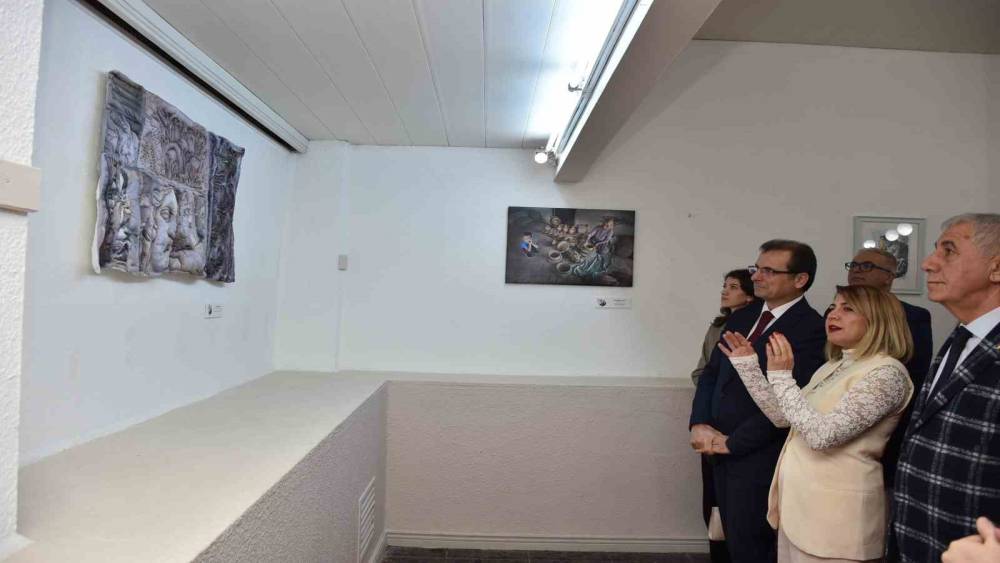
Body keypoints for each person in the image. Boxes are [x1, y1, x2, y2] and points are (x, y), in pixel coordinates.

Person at [719, 285, 914, 562]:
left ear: (880, 320)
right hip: (800, 510)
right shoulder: (833, 365)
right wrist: (749, 367)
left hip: (836, 518)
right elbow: (784, 418)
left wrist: (782, 377)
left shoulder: (887, 373)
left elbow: (822, 436)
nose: (833, 314)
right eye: (832, 307)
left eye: (848, 308)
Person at [689, 240, 827, 563]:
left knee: (751, 545)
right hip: (713, 446)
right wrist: (700, 423)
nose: (756, 277)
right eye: (756, 268)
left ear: (800, 279)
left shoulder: (811, 328)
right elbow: (711, 374)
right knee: (722, 539)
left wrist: (733, 443)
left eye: (768, 271)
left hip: (757, 454)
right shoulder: (743, 316)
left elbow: (791, 401)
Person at [889, 213, 1000, 563]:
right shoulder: (962, 336)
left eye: (948, 251)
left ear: (997, 268)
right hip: (921, 543)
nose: (927, 263)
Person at [844, 248, 933, 487]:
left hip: (884, 423)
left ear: (889, 276)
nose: (856, 271)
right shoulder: (834, 314)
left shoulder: (913, 316)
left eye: (866, 266)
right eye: (853, 265)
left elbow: (915, 373)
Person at [692, 269, 759, 563]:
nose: (725, 291)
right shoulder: (718, 326)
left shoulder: (758, 325)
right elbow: (703, 371)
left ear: (750, 295)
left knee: (744, 507)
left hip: (744, 426)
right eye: (724, 286)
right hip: (711, 420)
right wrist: (706, 411)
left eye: (733, 286)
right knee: (713, 500)